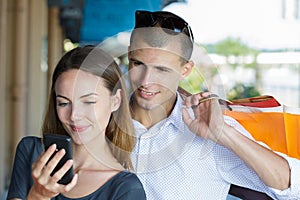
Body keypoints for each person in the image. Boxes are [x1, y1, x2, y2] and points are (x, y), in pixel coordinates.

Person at [127, 10, 300, 199]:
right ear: (128, 56)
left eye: (162, 70)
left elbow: (292, 186)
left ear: (185, 70)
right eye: (138, 64)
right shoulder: (100, 119)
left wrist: (222, 132)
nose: (146, 81)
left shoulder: (210, 132)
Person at [7, 46, 146, 200]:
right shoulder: (31, 152)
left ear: (116, 101)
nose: (74, 116)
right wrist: (38, 195)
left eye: (88, 102)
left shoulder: (127, 189)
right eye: (63, 103)